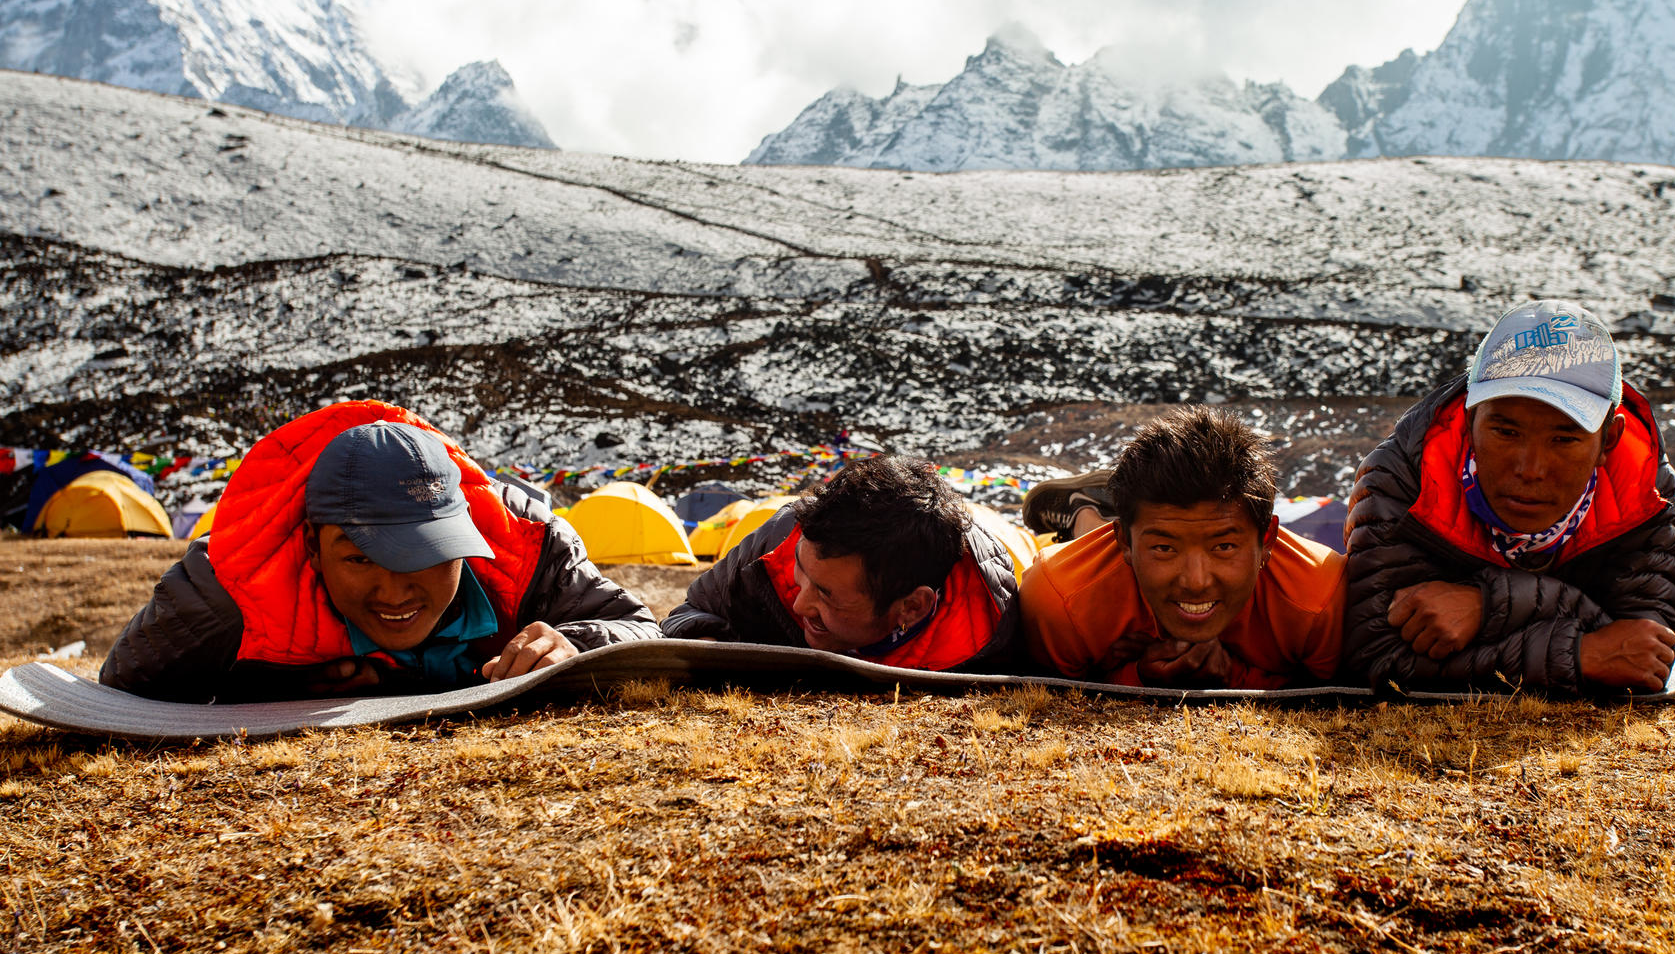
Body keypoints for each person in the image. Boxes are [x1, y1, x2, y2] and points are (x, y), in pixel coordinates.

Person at [101, 401, 660, 703]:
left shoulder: (528, 546)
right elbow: (125, 687)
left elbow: (644, 631)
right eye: (361, 558)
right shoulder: (230, 583)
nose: (394, 592)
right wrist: (268, 686)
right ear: (312, 551)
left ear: (468, 539)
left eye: (425, 552)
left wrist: (576, 647)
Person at [1342, 299, 1675, 696]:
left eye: (1564, 439)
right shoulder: (1406, 479)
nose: (1531, 468)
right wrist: (1579, 654)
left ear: (1608, 440)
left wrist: (1486, 606)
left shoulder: (1644, 498)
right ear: (1471, 421)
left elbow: (1640, 654)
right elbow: (1378, 659)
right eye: (1506, 433)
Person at [1019, 406, 1346, 689]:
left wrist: (1232, 674)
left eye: (1224, 546)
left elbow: (1327, 703)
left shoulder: (1321, 596)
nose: (1196, 581)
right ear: (1125, 543)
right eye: (1164, 548)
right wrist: (1138, 676)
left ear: (1266, 541)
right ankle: (1085, 513)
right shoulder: (1058, 599)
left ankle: (1094, 511)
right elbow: (1056, 699)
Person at [661, 455, 1020, 671]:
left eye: (827, 595)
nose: (801, 604)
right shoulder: (780, 540)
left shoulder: (987, 624)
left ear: (912, 606)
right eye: (803, 572)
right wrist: (712, 648)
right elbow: (690, 611)